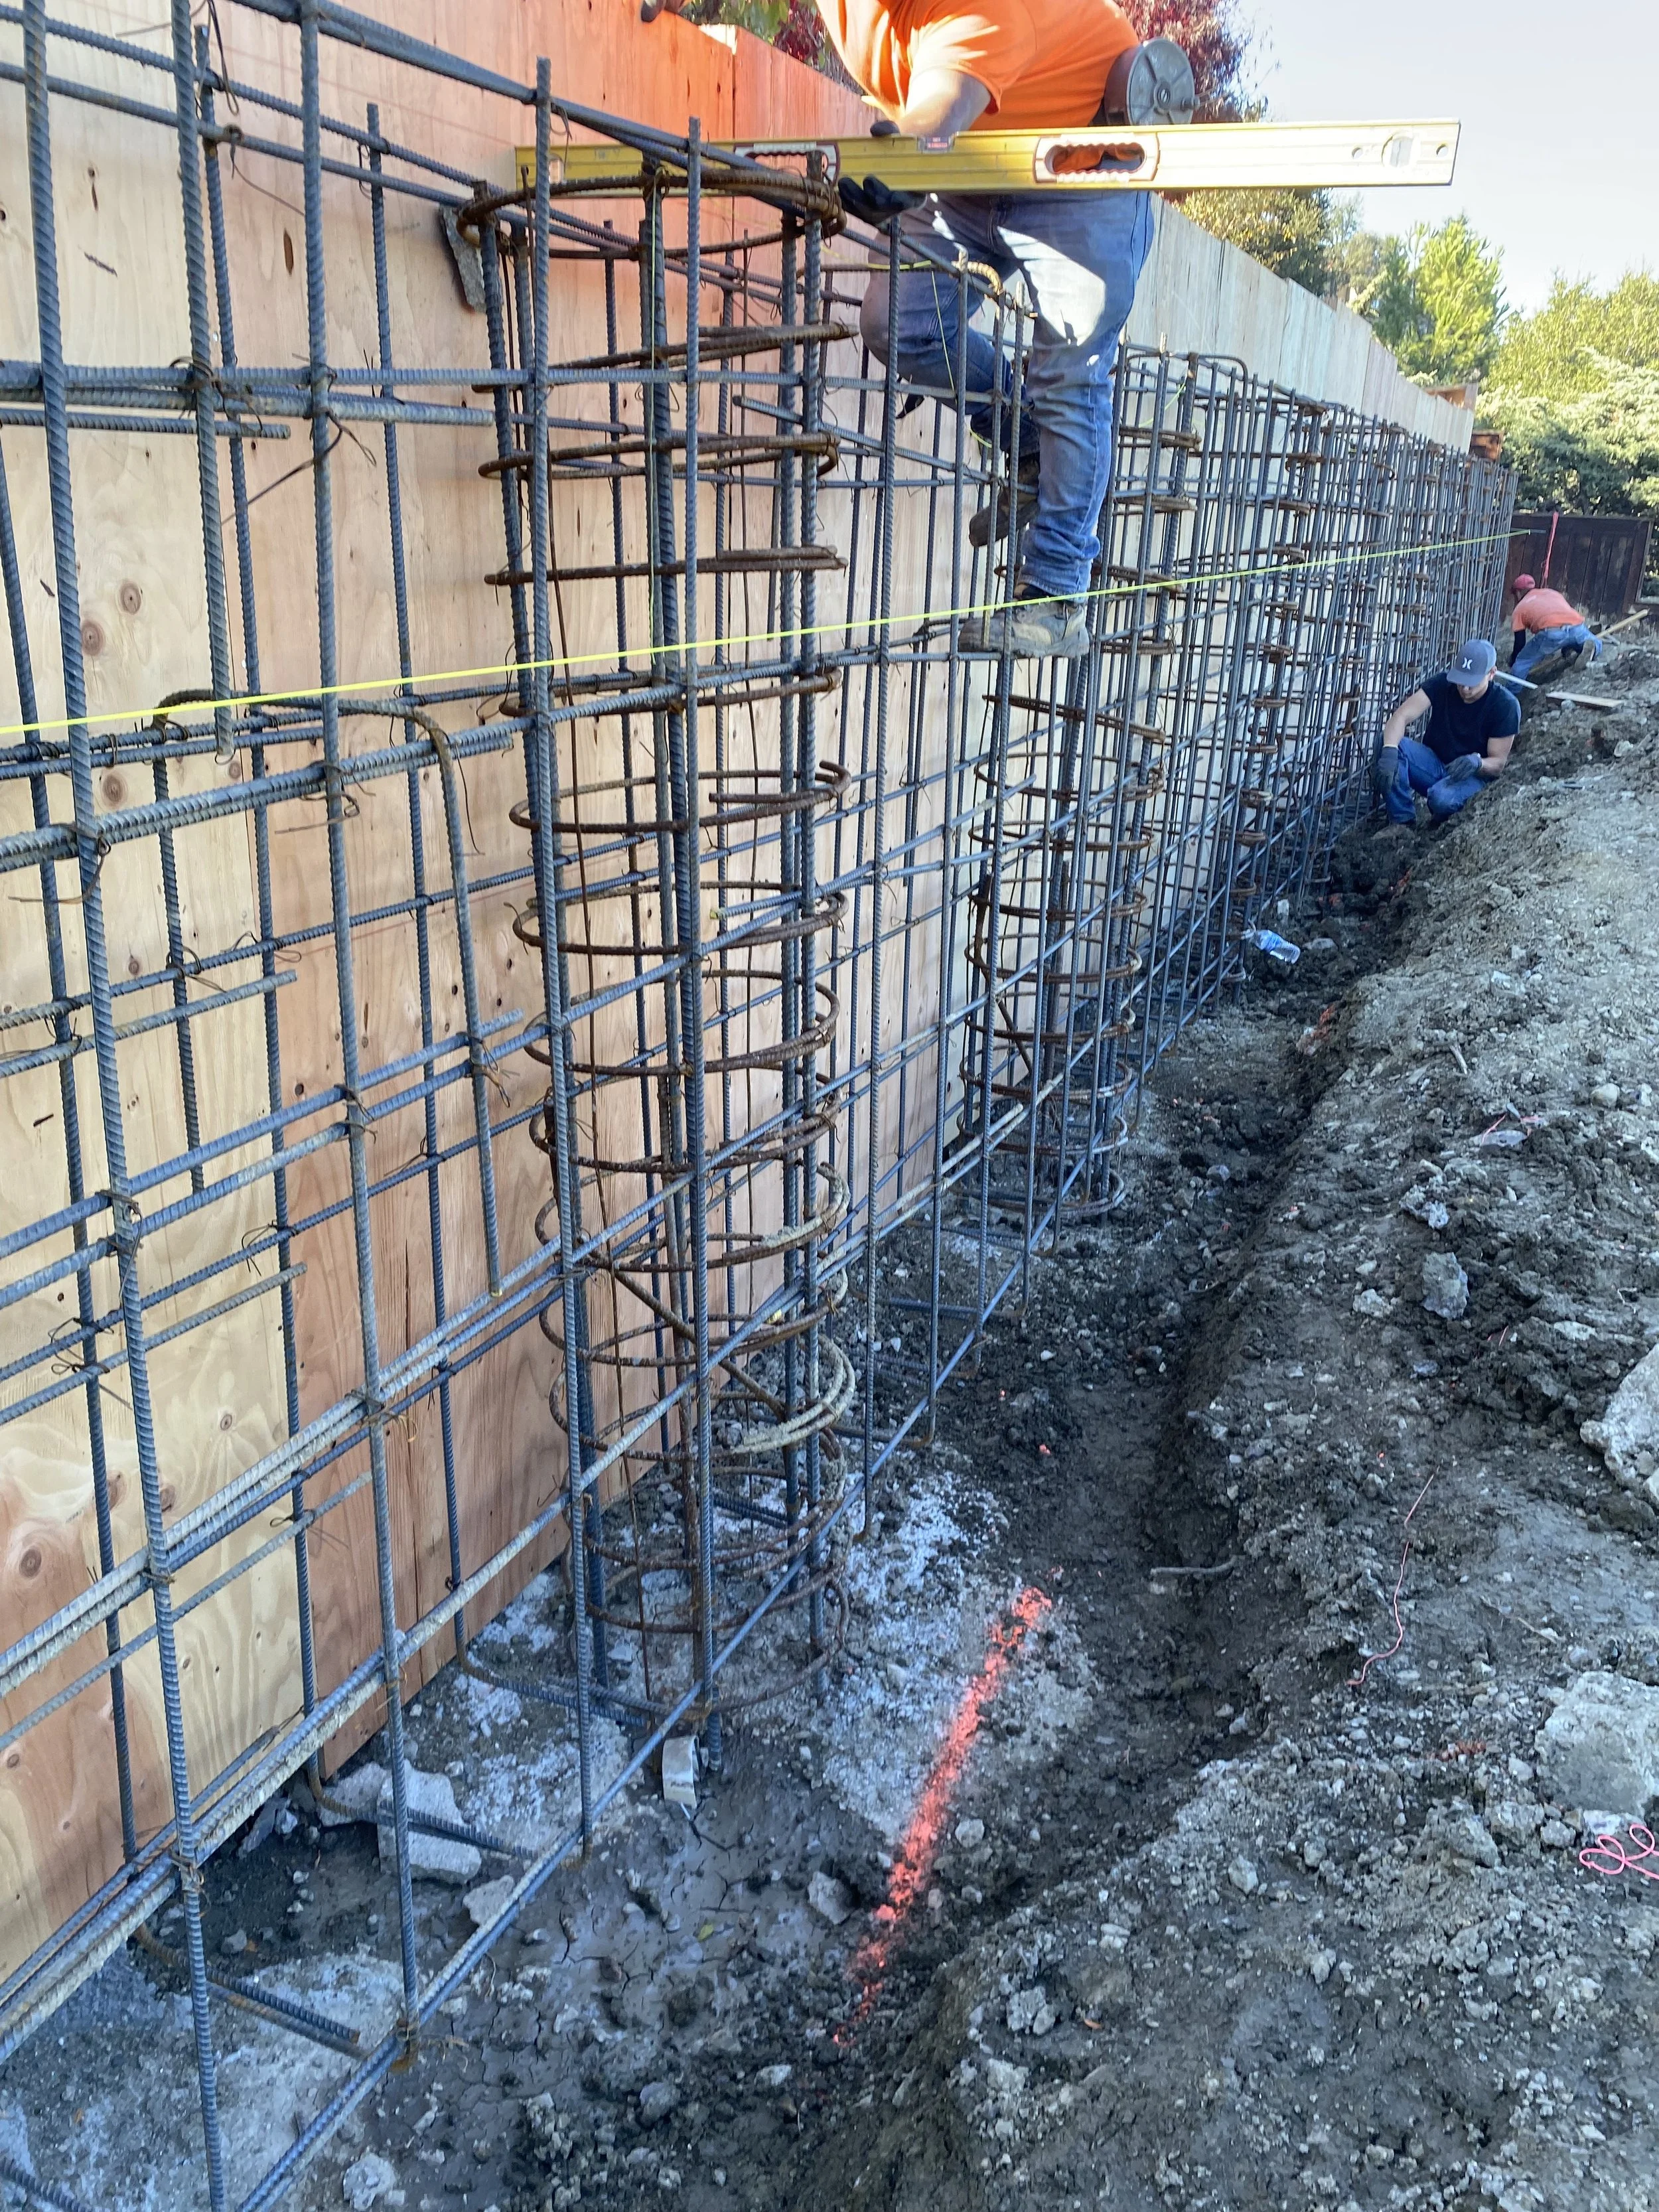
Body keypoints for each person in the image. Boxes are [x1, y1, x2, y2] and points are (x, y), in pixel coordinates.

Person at [815, 1, 1172, 659]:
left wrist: (906, 162)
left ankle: (1056, 599)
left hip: (1085, 162)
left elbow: (936, 111)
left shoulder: (979, 11)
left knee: (1068, 374)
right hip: (975, 157)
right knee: (900, 326)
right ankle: (1030, 442)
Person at [1375, 638, 1520, 826]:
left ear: (1492, 673)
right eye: (1461, 681)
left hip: (1471, 777)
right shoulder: (1443, 684)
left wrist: (1477, 763)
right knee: (1389, 742)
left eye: (1472, 683)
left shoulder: (1505, 706)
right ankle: (1403, 822)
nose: (1465, 689)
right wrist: (1389, 752)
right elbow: (1401, 716)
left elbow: (1498, 763)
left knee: (1441, 799)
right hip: (1435, 764)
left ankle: (1442, 821)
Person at [1509, 573, 1601, 682]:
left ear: (1518, 593)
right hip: (1576, 625)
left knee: (1522, 663)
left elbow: (1520, 643)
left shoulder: (1520, 608)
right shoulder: (1551, 593)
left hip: (1552, 633)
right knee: (1595, 642)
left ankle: (1510, 693)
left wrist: (1513, 661)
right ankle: (1588, 648)